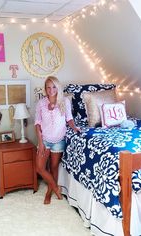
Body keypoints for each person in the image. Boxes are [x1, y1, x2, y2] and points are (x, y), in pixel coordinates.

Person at [34, 76, 80, 204]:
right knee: (40, 168)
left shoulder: (64, 101)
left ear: (58, 87)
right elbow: (37, 124)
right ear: (45, 89)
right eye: (48, 87)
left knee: (54, 167)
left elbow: (69, 119)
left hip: (59, 140)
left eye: (54, 87)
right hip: (45, 140)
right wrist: (40, 142)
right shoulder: (41, 103)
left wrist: (75, 128)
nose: (51, 90)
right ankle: (55, 187)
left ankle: (49, 191)